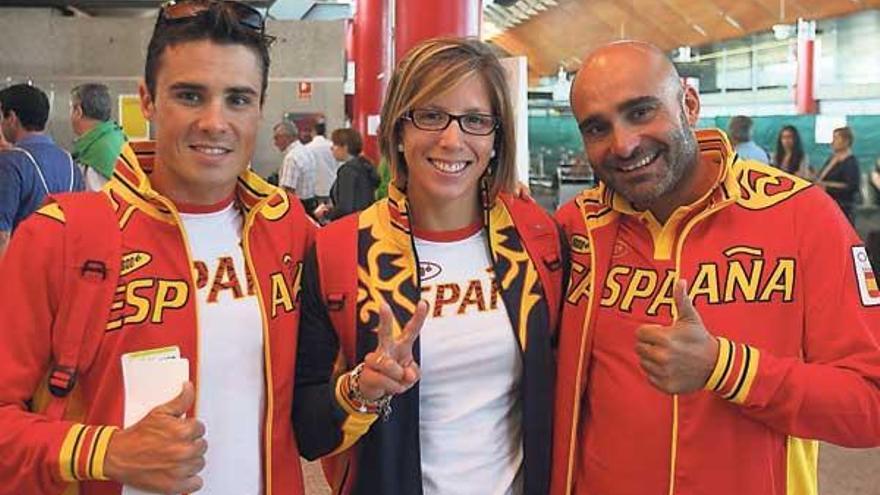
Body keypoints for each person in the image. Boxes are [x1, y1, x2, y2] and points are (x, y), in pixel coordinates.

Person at [0, 2, 315, 494]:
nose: (215, 122)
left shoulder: (290, 228)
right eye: (190, 95)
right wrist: (105, 451)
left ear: (259, 108)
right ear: (147, 100)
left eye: (237, 99)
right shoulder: (59, 236)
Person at [552, 41, 880, 495]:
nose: (623, 144)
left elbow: (869, 405)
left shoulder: (801, 216)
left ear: (688, 104)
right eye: (597, 127)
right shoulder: (576, 230)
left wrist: (726, 368)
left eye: (642, 111)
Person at [293, 37, 565, 495]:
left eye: (475, 120)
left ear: (497, 139)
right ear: (399, 130)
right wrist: (364, 388)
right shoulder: (340, 250)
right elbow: (308, 428)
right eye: (431, 115)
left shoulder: (535, 240)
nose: (452, 139)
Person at [0, 83, 83, 256]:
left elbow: (2, 235)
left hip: (22, 270)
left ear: (12, 118)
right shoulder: (69, 161)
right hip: (61, 269)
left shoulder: (10, 163)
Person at [70, 83, 132, 191]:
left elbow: (96, 201)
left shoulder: (97, 153)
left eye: (71, 109)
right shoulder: (116, 137)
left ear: (78, 112)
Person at [313, 127, 379, 222]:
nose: (332, 148)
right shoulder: (365, 167)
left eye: (335, 144)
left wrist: (325, 213)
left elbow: (345, 208)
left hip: (350, 225)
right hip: (366, 222)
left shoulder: (347, 171)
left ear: (345, 147)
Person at [816, 126, 861, 224]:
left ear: (846, 141)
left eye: (836, 138)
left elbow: (852, 186)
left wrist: (827, 186)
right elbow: (821, 178)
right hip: (827, 203)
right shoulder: (832, 159)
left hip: (842, 205)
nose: (832, 142)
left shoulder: (850, 162)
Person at [274, 119, 319, 214]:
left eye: (276, 138)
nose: (275, 143)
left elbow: (287, 191)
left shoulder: (291, 158)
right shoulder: (306, 151)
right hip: (310, 203)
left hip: (297, 208)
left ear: (286, 137)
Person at [306, 120, 340, 206]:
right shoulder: (332, 146)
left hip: (315, 188)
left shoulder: (308, 148)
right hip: (332, 186)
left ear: (313, 132)